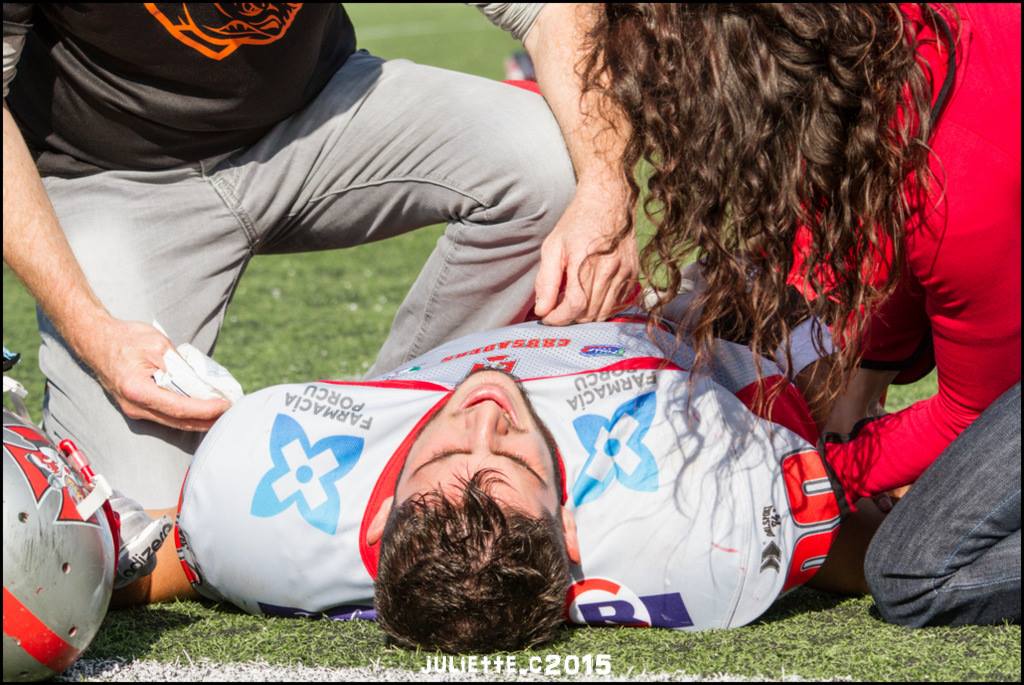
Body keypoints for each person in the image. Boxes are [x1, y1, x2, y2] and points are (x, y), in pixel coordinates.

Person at [1, 4, 638, 512]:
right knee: (145, 521)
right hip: (112, 175)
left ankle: (396, 423)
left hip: (315, 113)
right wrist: (93, 329)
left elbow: (551, 9)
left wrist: (609, 186)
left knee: (548, 169)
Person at [113, 304, 914, 652]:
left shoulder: (272, 514)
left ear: (385, 504)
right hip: (712, 351)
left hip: (512, 311)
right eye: (515, 462)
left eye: (442, 455)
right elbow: (860, 546)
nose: (485, 417)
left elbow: (168, 556)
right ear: (570, 530)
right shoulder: (682, 521)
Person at [581, 4, 1021, 626]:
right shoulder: (880, 53)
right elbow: (893, 231)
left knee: (912, 572)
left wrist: (817, 470)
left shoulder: (954, 185)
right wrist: (866, 374)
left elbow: (979, 409)